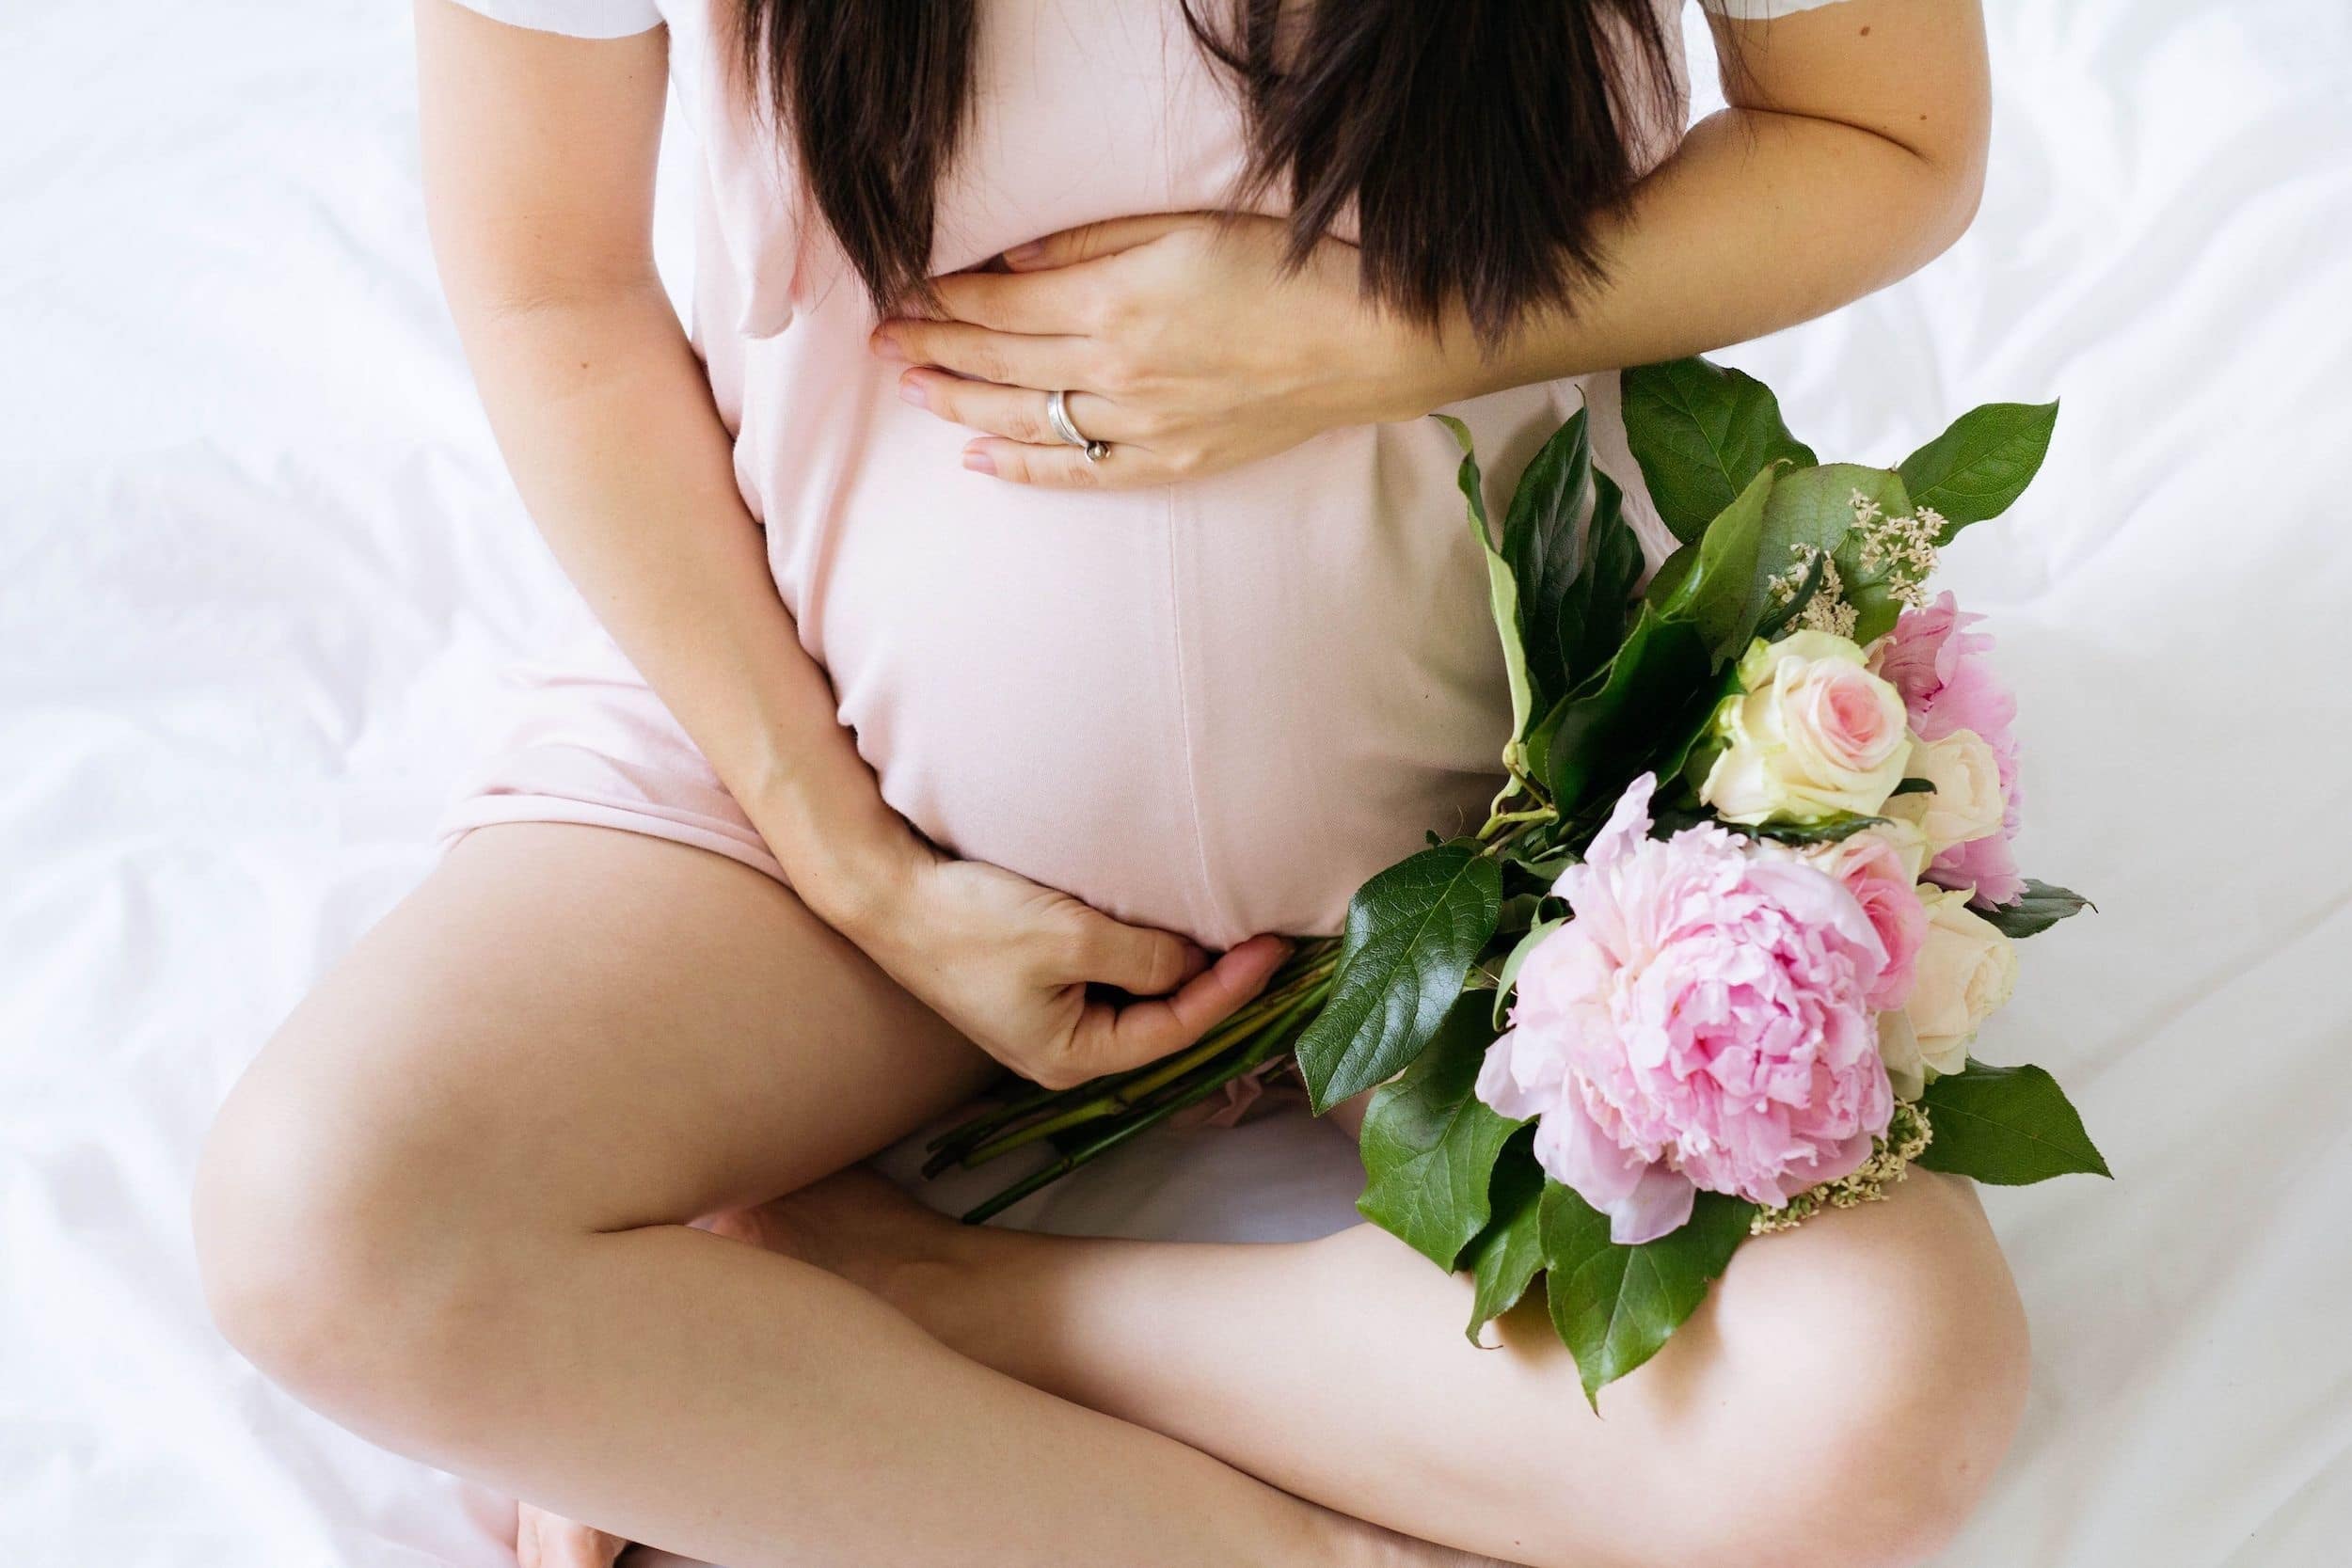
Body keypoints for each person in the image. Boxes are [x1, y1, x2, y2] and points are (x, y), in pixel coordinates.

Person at [193, 2, 2026, 1564]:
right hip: (833, 804)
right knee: (332, 1228)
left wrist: (1377, 330)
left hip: (1506, 840)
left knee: (1877, 1397)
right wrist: (859, 872)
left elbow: (1880, 130)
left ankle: (935, 1291)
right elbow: (551, 292)